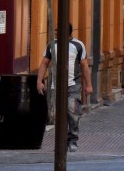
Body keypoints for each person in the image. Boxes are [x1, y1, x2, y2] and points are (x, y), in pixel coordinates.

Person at [36, 24, 92, 153]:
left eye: (58, 30)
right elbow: (44, 63)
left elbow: (84, 65)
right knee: (56, 114)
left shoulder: (78, 45)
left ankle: (72, 140)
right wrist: (39, 81)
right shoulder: (52, 45)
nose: (55, 33)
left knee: (73, 112)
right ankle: (61, 140)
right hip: (55, 86)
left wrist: (88, 85)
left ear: (66, 32)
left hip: (73, 85)